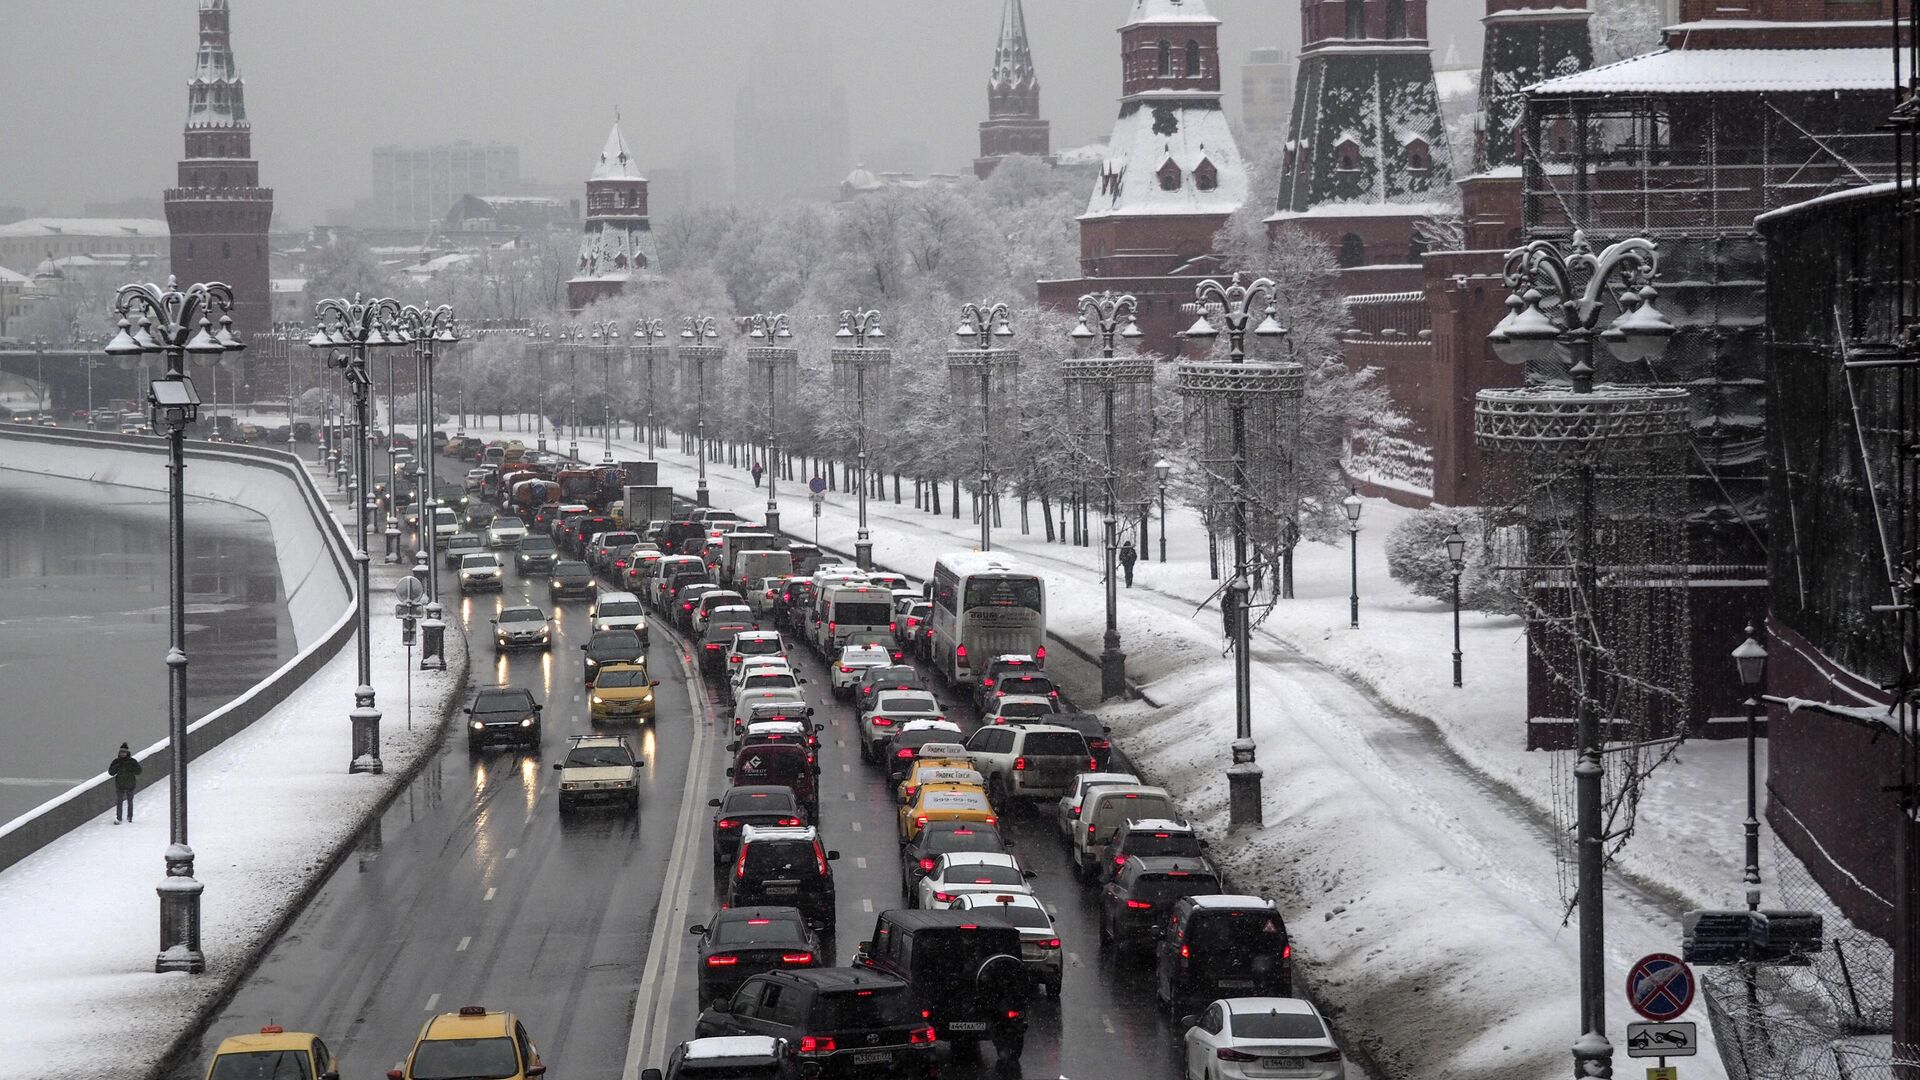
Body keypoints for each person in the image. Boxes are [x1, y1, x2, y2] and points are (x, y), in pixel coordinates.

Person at [108, 743, 141, 823]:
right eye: (121, 752)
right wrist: (117, 766)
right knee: (120, 801)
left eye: (124, 752)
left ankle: (129, 817)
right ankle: (119, 818)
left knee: (129, 801)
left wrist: (131, 767)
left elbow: (139, 771)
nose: (123, 754)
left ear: (127, 753)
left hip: (129, 784)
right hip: (120, 784)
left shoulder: (132, 761)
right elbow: (111, 772)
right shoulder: (116, 761)